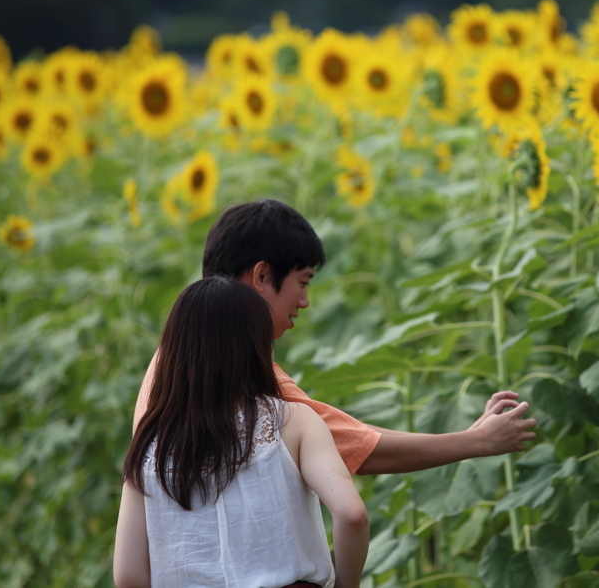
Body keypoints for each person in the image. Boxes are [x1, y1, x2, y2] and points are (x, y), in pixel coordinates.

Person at [133, 199, 537, 476]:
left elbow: (349, 436)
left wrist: (468, 437)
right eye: (302, 282)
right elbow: (354, 449)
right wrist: (474, 444)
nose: (305, 302)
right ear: (261, 276)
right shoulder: (233, 365)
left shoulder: (182, 356)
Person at [114, 276, 369, 588]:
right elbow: (352, 515)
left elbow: (128, 576)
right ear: (255, 345)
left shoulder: (149, 446)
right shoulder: (293, 421)